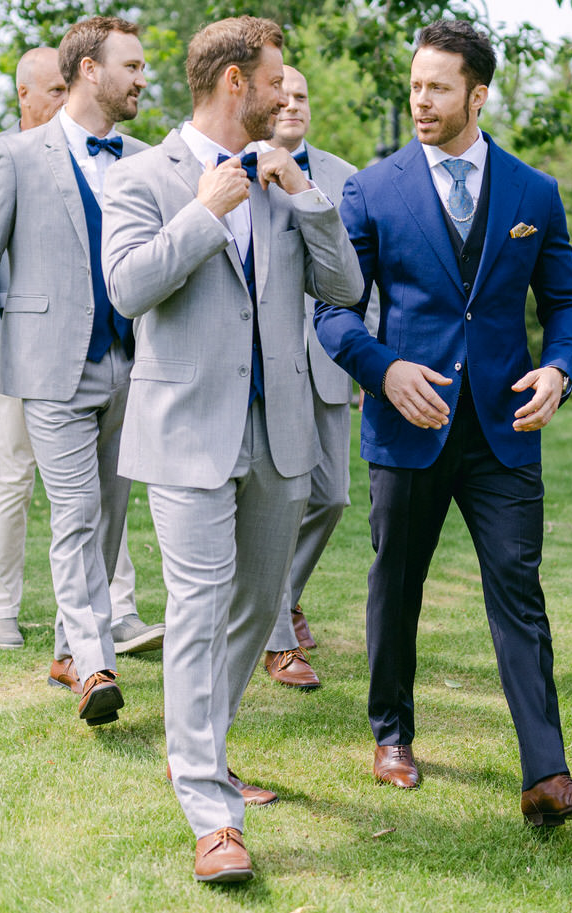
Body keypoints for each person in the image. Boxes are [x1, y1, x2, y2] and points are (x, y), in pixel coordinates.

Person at [314, 19, 572, 828]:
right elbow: (334, 312)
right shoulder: (371, 190)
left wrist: (559, 366)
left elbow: (568, 304)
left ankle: (547, 775)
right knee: (396, 585)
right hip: (410, 424)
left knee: (520, 590)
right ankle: (392, 733)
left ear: (478, 94)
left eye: (438, 87)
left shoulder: (532, 192)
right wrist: (385, 368)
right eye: (414, 85)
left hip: (505, 428)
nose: (421, 100)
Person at [102, 16, 362, 883]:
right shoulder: (142, 176)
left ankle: (199, 750)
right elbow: (130, 287)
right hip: (185, 430)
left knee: (257, 608)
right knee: (199, 604)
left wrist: (308, 198)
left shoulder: (286, 179)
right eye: (277, 81)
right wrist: (206, 216)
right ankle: (212, 814)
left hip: (279, 429)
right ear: (233, 85)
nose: (290, 95)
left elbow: (345, 287)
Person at [0, 17, 154, 726]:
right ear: (90, 71)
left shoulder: (144, 157)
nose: (142, 78)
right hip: (46, 366)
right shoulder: (15, 157)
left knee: (108, 516)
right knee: (74, 513)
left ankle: (69, 648)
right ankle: (96, 662)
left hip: (130, 367)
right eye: (131, 65)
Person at [258, 65, 358, 691]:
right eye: (283, 95)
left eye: (303, 97)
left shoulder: (348, 177)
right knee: (276, 502)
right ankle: (276, 637)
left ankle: (284, 594)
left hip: (328, 360)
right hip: (264, 362)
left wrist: (370, 355)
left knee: (330, 496)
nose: (293, 104)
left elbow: (361, 272)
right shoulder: (234, 167)